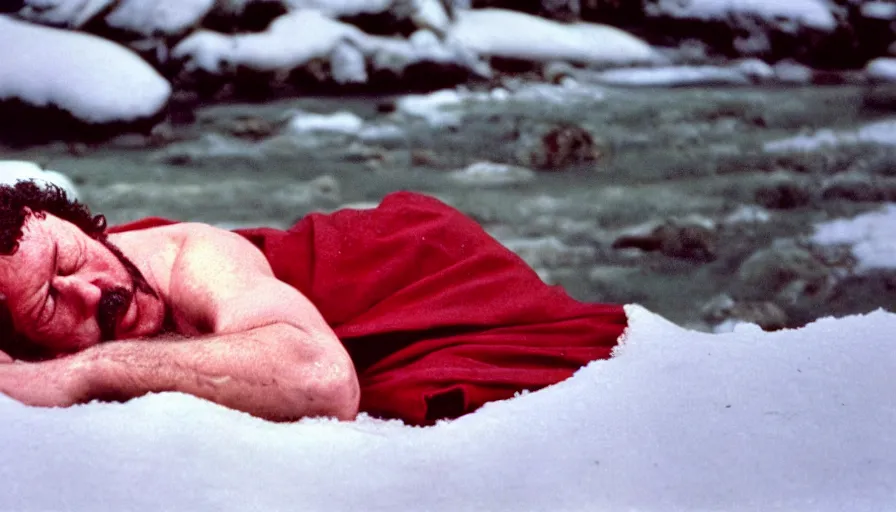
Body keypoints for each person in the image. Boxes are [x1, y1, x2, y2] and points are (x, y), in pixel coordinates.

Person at [0, 180, 627, 425]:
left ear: (83, 225)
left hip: (430, 268)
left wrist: (87, 370)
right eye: (51, 306)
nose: (93, 291)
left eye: (71, 258)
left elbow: (319, 380)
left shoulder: (192, 257)